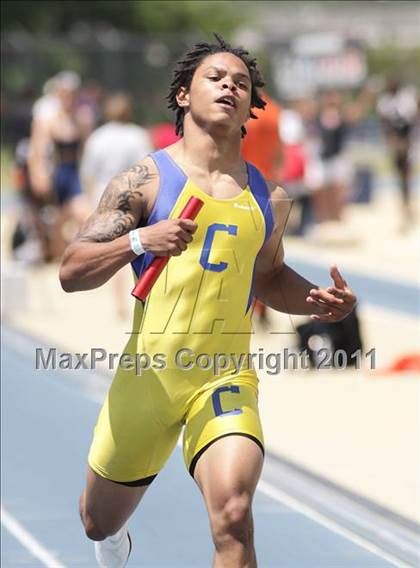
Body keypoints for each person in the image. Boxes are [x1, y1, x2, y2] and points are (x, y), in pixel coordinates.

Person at [59, 34, 356, 568]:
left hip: (225, 378)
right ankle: (111, 541)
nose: (230, 86)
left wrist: (316, 301)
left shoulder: (268, 195)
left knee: (233, 514)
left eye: (241, 82)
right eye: (216, 78)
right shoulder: (144, 181)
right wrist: (139, 241)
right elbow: (71, 270)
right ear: (183, 96)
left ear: (251, 105)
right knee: (97, 519)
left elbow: (266, 277)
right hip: (149, 377)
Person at [80, 92, 153, 318]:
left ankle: (117, 298)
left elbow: (87, 172)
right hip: (133, 195)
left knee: (110, 248)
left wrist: (89, 199)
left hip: (105, 195)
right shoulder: (137, 135)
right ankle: (135, 294)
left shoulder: (98, 137)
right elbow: (148, 167)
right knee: (133, 246)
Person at [28, 71, 92, 258]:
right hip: (56, 173)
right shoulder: (47, 121)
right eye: (64, 94)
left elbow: (86, 151)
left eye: (72, 94)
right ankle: (58, 259)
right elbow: (37, 151)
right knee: (55, 222)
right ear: (58, 95)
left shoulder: (81, 119)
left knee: (82, 216)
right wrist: (37, 174)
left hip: (73, 174)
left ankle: (76, 255)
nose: (68, 99)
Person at [377, 77, 419, 230]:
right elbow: (384, 124)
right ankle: (404, 201)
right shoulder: (385, 102)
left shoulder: (406, 99)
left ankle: (407, 202)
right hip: (395, 142)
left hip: (407, 141)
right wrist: (390, 141)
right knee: (399, 174)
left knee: (406, 174)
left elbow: (412, 120)